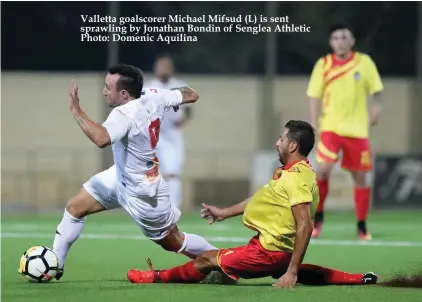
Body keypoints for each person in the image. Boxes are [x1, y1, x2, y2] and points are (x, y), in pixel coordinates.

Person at [127, 120, 378, 288]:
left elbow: (305, 225)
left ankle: (154, 276)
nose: (276, 143)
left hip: (269, 253)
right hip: (277, 252)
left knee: (205, 260)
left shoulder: (296, 179)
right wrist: (224, 212)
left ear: (293, 145)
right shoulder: (294, 172)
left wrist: (291, 272)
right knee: (299, 270)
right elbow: (261, 199)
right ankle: (360, 278)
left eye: (281, 139)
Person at [51, 64, 217, 280]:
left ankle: (222, 261)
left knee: (174, 241)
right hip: (120, 176)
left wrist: (76, 110)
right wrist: (172, 100)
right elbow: (191, 94)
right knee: (75, 207)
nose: (104, 92)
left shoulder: (124, 113)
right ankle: (53, 264)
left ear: (123, 94)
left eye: (107, 88)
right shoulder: (154, 95)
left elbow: (101, 138)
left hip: (143, 192)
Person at [307, 23, 383, 240]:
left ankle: (361, 226)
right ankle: (317, 221)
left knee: (361, 178)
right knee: (323, 170)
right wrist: (313, 123)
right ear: (331, 43)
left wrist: (376, 111)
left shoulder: (364, 62)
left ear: (352, 41)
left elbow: (377, 92)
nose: (340, 41)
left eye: (344, 37)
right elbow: (314, 95)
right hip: (331, 128)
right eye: (336, 38)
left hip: (358, 131)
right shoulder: (323, 64)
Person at [144, 54, 191, 209]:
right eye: (160, 66)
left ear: (171, 69)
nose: (163, 69)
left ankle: (173, 207)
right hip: (154, 136)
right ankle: (153, 207)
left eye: (166, 66)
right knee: (152, 174)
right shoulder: (149, 87)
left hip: (172, 135)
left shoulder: (180, 86)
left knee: (173, 173)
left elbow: (189, 110)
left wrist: (182, 120)